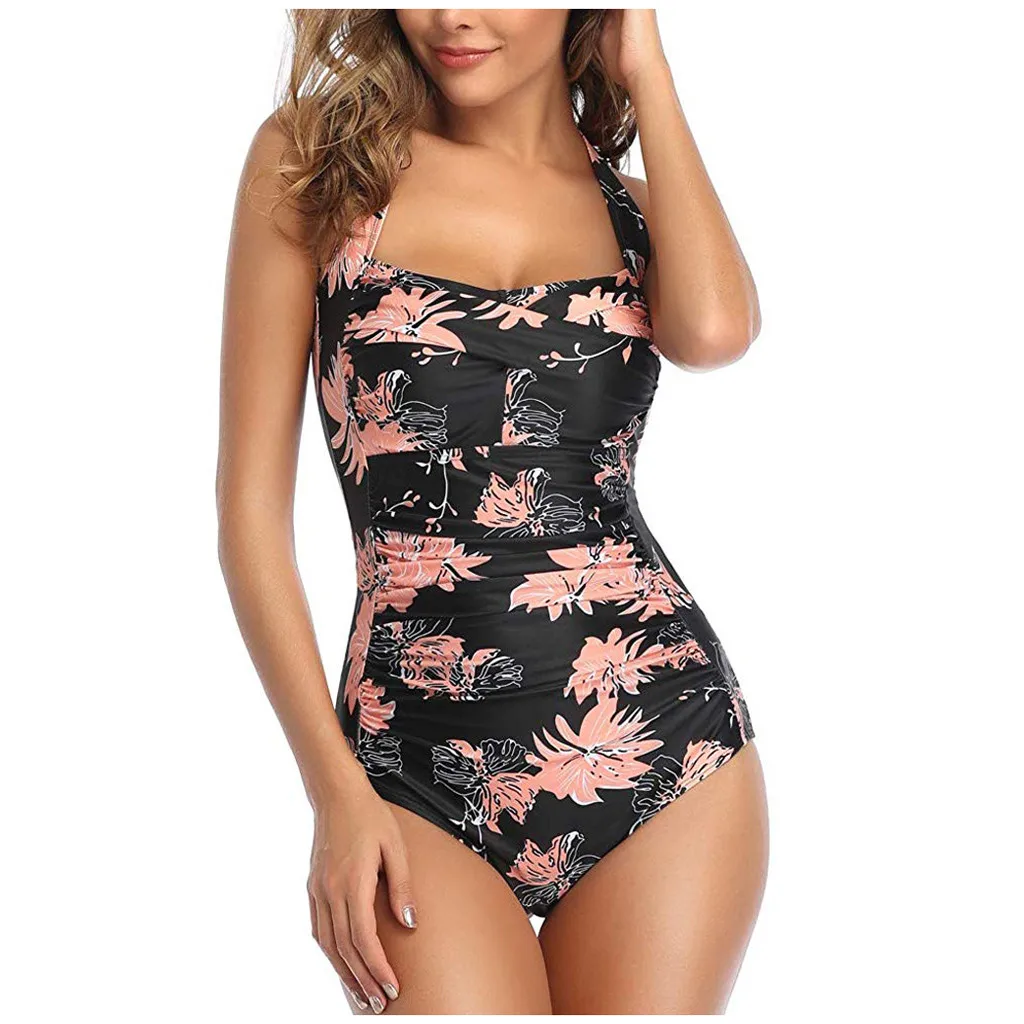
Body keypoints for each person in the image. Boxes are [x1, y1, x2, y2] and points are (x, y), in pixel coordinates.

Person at [217, 8, 769, 1015]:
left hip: (663, 741)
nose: (451, 16)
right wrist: (333, 792)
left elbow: (715, 330)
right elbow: (250, 514)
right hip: (405, 762)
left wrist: (644, 65)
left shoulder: (637, 210)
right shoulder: (321, 166)